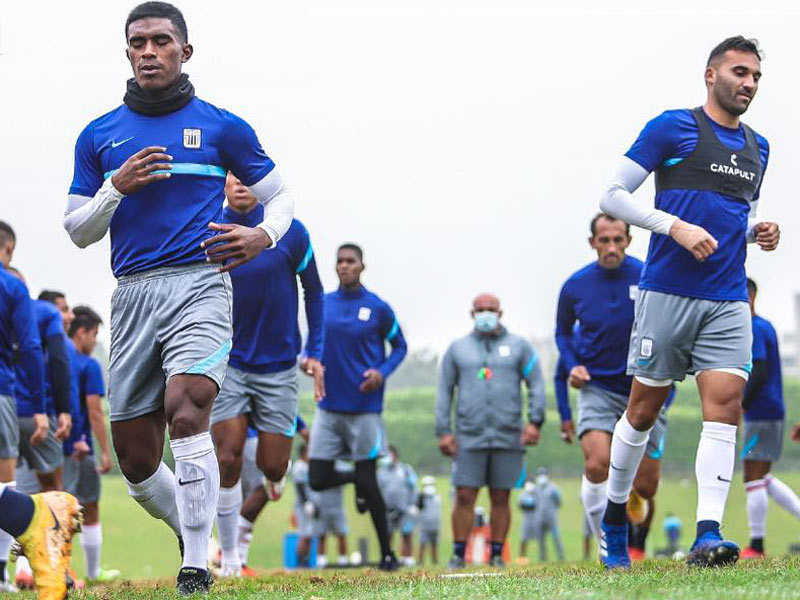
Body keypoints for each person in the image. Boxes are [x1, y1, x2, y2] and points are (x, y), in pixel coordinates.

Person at [62, 2, 294, 592]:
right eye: (138, 43)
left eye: (161, 41)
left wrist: (261, 234)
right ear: (127, 53)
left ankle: (195, 565)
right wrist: (115, 188)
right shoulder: (98, 135)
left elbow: (281, 197)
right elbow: (78, 230)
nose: (148, 51)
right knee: (138, 463)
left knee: (187, 407)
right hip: (133, 295)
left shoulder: (222, 127)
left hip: (201, 282)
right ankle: (200, 533)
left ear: (184, 51)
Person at [597, 36, 779, 569]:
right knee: (642, 411)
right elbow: (612, 196)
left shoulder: (758, 147)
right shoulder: (671, 127)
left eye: (756, 77)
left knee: (724, 411)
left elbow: (730, 222)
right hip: (667, 295)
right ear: (711, 75)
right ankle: (613, 516)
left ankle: (707, 534)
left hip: (727, 298)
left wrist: (755, 233)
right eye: (740, 73)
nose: (748, 84)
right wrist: (673, 227)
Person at [211, 172, 323, 577]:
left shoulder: (290, 232)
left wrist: (315, 350)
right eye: (231, 178)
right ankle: (229, 560)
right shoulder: (208, 225)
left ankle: (277, 479)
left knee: (274, 466)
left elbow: (315, 291)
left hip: (278, 366)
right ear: (223, 185)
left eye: (247, 177)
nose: (239, 184)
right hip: (228, 362)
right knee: (228, 456)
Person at [555, 213, 670, 560]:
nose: (611, 247)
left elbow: (668, 326)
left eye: (618, 240)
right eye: (603, 240)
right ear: (592, 242)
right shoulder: (575, 286)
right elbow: (562, 333)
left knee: (646, 486)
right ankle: (608, 544)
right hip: (598, 389)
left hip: (646, 386)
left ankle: (630, 530)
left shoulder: (648, 275)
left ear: (629, 241)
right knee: (597, 465)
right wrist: (572, 364)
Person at [308, 243, 407, 571]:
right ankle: (354, 479)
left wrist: (382, 373)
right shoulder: (323, 305)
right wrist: (309, 363)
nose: (344, 266)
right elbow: (312, 346)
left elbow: (400, 347)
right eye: (339, 262)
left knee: (371, 484)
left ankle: (388, 555)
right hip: (329, 406)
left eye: (350, 261)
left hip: (365, 408)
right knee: (318, 478)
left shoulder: (378, 308)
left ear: (362, 266)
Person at [0, 223, 83, 600]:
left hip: (15, 400)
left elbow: (43, 355)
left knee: (26, 483)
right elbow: (37, 354)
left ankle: (35, 525)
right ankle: (36, 527)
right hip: (22, 403)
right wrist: (47, 410)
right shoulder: (18, 292)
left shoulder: (19, 294)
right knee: (20, 483)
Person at [436, 293, 546, 569]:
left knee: (501, 495)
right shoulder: (457, 349)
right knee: (464, 495)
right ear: (472, 313)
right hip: (469, 436)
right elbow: (444, 391)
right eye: (480, 309)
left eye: (491, 309)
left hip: (508, 433)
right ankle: (458, 554)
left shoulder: (519, 347)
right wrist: (444, 430)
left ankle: (496, 554)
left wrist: (535, 421)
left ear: (501, 312)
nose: (486, 313)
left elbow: (536, 383)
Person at [740, 278, 800, 558]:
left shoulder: (753, 327)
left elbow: (759, 370)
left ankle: (757, 545)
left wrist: (741, 404)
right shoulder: (766, 325)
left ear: (749, 296)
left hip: (761, 410)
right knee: (763, 477)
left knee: (752, 475)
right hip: (772, 410)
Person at [64, 307, 120, 583]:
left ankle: (57, 570)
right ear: (82, 332)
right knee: (88, 505)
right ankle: (89, 571)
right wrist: (106, 451)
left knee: (52, 505)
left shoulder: (55, 358)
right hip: (78, 447)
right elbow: (96, 412)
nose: (95, 341)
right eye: (94, 334)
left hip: (53, 443)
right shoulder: (88, 365)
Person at [236, 417, 309, 575]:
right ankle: (230, 554)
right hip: (251, 439)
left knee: (246, 500)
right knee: (259, 492)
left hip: (240, 438)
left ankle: (238, 560)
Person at [377, 445, 418, 566]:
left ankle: (408, 558)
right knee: (387, 534)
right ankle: (387, 556)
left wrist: (413, 504)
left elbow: (413, 487)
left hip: (405, 508)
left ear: (395, 454)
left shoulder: (405, 469)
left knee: (406, 533)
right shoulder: (380, 472)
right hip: (387, 509)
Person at [313, 461, 351, 569]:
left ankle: (343, 560)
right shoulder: (320, 465)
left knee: (341, 533)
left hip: (337, 506)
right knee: (321, 535)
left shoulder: (341, 466)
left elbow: (349, 473)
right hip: (322, 506)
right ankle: (321, 561)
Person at [531, 467, 565, 562]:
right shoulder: (535, 489)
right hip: (539, 517)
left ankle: (561, 557)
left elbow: (559, 503)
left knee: (556, 537)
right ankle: (542, 558)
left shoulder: (553, 487)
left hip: (551, 518)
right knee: (541, 539)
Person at [290, 445, 315, 567]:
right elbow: (300, 487)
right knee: (304, 534)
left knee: (309, 534)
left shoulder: (306, 466)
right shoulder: (299, 466)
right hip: (303, 505)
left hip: (309, 505)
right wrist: (306, 503)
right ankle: (300, 563)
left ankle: (306, 562)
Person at [416, 476, 442, 566]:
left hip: (434, 525)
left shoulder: (436, 498)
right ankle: (420, 561)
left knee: (434, 544)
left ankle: (435, 560)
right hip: (425, 525)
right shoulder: (421, 498)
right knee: (423, 544)